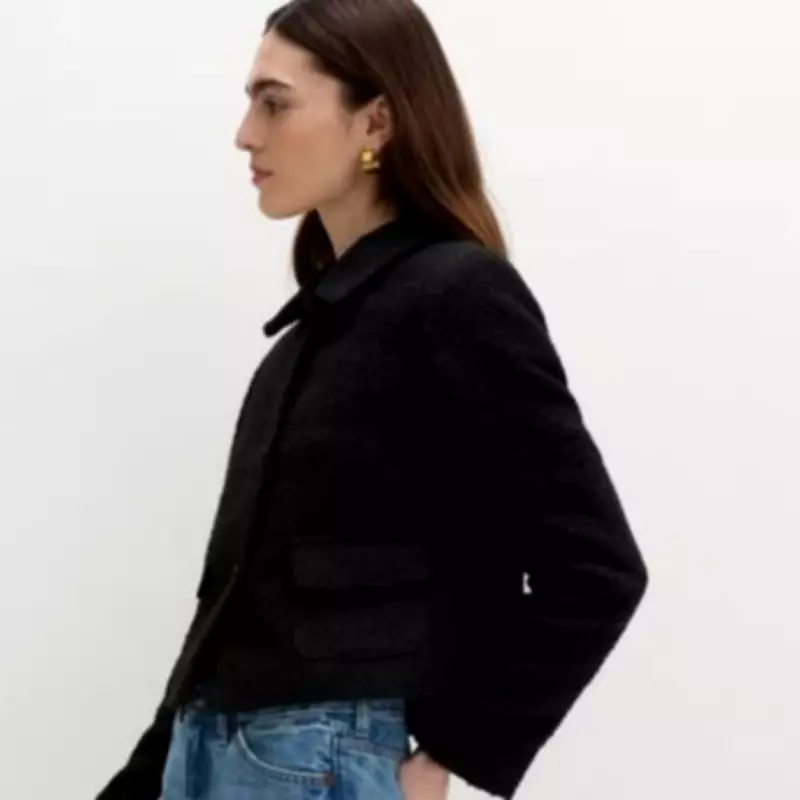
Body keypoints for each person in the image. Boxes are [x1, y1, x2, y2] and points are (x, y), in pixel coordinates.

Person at [95, 1, 649, 798]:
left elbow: (596, 569)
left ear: (376, 122)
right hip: (211, 752)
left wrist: (450, 756)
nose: (246, 134)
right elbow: (233, 611)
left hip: (319, 761)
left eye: (275, 103)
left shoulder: (457, 294)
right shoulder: (303, 342)